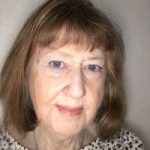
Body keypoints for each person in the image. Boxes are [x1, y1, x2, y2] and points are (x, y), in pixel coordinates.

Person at [0, 0, 145, 149]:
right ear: (24, 72)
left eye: (93, 67)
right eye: (57, 64)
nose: (77, 90)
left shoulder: (127, 146)